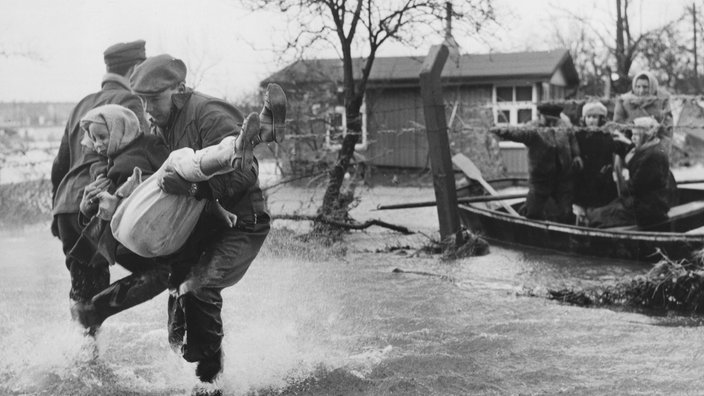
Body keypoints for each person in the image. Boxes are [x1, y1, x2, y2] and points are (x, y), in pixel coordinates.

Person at [128, 53, 284, 388]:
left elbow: (246, 172)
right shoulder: (166, 122)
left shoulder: (208, 112)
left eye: (153, 99)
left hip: (243, 221)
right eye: (143, 102)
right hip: (206, 221)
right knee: (177, 298)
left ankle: (212, 381)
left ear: (179, 90)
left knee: (199, 289)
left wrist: (195, 187)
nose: (148, 110)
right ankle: (188, 375)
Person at [50, 40, 148, 329]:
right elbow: (137, 158)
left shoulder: (82, 104)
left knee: (83, 294)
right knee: (165, 270)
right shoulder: (130, 103)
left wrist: (56, 215)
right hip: (97, 205)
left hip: (67, 206)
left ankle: (78, 363)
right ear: (134, 70)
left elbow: (60, 164)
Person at [492, 103, 583, 223]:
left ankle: (564, 236)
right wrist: (503, 131)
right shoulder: (533, 129)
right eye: (548, 120)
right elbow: (518, 133)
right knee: (533, 212)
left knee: (565, 213)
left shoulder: (565, 126)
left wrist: (576, 156)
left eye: (554, 120)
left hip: (563, 179)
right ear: (541, 116)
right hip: (540, 180)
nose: (551, 123)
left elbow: (573, 141)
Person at [586, 121, 675, 228]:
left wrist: (624, 180)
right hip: (650, 203)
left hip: (647, 210)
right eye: (633, 134)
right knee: (601, 211)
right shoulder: (653, 148)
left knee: (597, 216)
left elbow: (634, 187)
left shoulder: (652, 156)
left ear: (646, 135)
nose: (633, 138)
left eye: (637, 135)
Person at [573, 101, 619, 209]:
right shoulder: (579, 134)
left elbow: (609, 153)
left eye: (594, 117)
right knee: (582, 203)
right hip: (584, 175)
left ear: (601, 119)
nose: (591, 120)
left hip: (602, 174)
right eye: (588, 117)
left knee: (601, 203)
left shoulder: (606, 135)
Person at [613, 71, 673, 147]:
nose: (641, 91)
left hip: (654, 145)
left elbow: (668, 128)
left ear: (652, 87)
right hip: (630, 143)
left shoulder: (662, 100)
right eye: (638, 87)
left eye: (645, 87)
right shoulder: (624, 100)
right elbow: (618, 124)